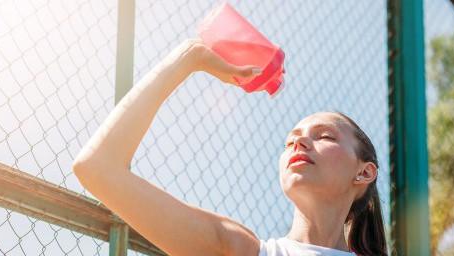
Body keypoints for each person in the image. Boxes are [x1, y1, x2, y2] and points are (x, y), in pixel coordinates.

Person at [72, 38, 387, 256]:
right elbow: (97, 168)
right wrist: (188, 57)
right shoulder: (240, 249)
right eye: (290, 140)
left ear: (364, 172)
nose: (299, 142)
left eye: (326, 136)